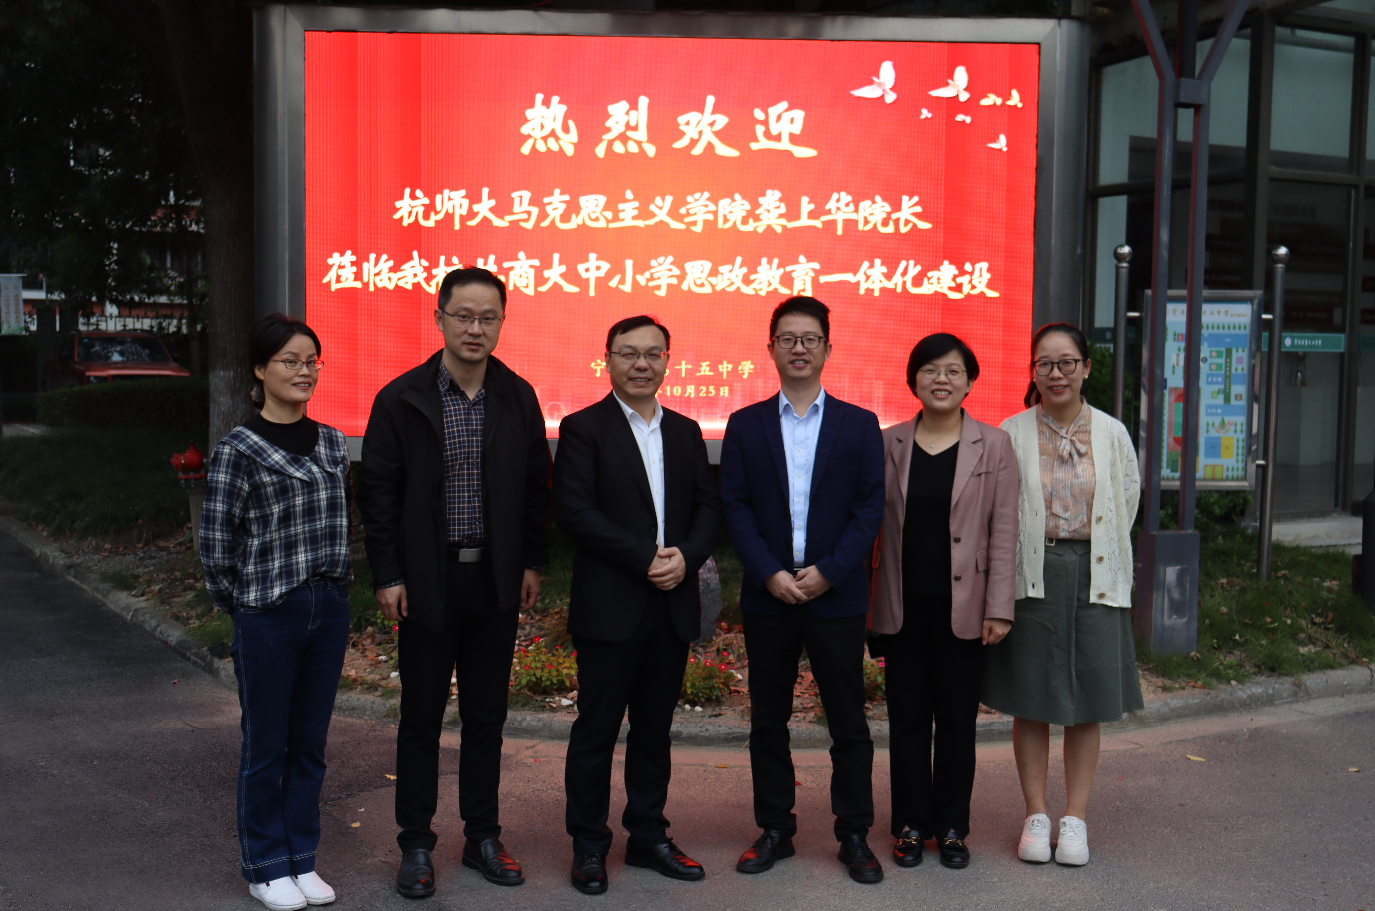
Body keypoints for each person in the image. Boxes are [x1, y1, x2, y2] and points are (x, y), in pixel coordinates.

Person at [358, 268, 550, 899]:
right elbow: (379, 493)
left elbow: (535, 487)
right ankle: (415, 844)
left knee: (486, 717)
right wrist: (388, 573)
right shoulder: (402, 397)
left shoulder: (517, 396)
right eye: (463, 315)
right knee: (420, 716)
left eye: (488, 317)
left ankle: (482, 837)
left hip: (494, 578)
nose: (475, 328)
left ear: (501, 323)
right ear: (439, 317)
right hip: (426, 580)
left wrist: (530, 561)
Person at [719, 296, 886, 884]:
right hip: (770, 594)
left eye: (809, 339)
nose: (798, 348)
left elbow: (869, 508)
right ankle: (775, 829)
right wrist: (769, 572)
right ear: (771, 349)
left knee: (848, 721)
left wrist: (830, 571)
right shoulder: (745, 425)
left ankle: (854, 833)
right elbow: (735, 506)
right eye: (787, 338)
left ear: (827, 349)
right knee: (768, 720)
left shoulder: (859, 425)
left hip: (835, 594)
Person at [553, 315, 721, 896]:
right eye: (628, 353)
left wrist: (686, 557)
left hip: (671, 604)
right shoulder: (582, 428)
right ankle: (589, 845)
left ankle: (648, 836)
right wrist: (645, 557)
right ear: (608, 359)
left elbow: (708, 508)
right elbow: (575, 512)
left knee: (655, 730)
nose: (641, 364)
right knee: (596, 730)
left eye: (653, 353)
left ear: (668, 361)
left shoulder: (686, 431)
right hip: (611, 606)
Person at [201, 314, 352, 911]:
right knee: (267, 745)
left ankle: (301, 859)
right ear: (260, 370)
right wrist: (247, 606)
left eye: (312, 361)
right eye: (290, 361)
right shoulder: (238, 449)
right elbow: (216, 547)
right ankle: (265, 865)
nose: (304, 371)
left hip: (328, 607)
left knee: (310, 744)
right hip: (268, 612)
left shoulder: (334, 442)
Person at [983, 322, 1143, 867]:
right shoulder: (1011, 432)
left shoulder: (1112, 433)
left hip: (1096, 572)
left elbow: (1126, 499)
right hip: (1033, 571)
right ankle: (1036, 815)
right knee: (1032, 697)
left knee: (1087, 700)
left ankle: (1075, 818)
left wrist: (1103, 553)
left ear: (1086, 368)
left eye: (1067, 362)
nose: (1056, 373)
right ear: (1033, 372)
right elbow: (999, 509)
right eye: (1045, 364)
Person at [867, 333, 1017, 871]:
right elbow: (869, 526)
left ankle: (952, 827)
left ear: (970, 381)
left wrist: (999, 607)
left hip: (967, 606)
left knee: (957, 722)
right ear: (913, 380)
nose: (941, 380)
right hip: (901, 604)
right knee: (907, 720)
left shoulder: (994, 445)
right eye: (930, 370)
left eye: (954, 371)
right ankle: (910, 825)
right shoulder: (887, 443)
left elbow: (1005, 530)